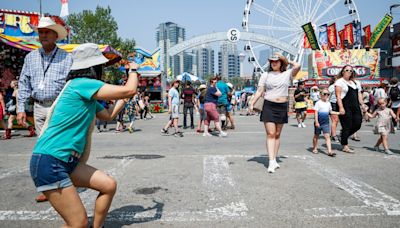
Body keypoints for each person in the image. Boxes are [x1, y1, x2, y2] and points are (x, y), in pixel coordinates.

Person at [29, 43, 139, 228]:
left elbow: (109, 115)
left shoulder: (84, 93)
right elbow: (130, 89)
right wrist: (134, 70)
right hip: (51, 161)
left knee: (108, 186)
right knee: (77, 223)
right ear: (93, 67)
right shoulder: (82, 84)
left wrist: (123, 96)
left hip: (66, 161)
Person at [17, 18, 72, 202]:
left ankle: (63, 184)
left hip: (59, 108)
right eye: (41, 32)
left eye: (47, 32)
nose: (43, 35)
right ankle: (49, 188)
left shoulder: (66, 58)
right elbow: (23, 84)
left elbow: (72, 85)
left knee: (59, 148)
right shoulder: (30, 57)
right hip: (39, 107)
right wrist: (21, 109)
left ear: (56, 35)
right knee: (43, 148)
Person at [250, 52, 300, 173]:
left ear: (281, 63)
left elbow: (297, 66)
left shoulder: (287, 74)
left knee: (277, 134)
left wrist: (285, 59)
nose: (273, 63)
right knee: (270, 133)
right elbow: (259, 90)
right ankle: (271, 161)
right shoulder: (266, 75)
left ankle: (274, 159)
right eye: (272, 61)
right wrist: (252, 103)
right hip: (269, 105)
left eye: (276, 61)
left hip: (282, 105)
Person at [335, 65, 365, 153]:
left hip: (355, 106)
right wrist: (341, 108)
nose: (349, 71)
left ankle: (343, 136)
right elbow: (338, 96)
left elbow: (359, 94)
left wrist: (362, 104)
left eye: (351, 70)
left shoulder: (356, 82)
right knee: (346, 125)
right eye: (346, 70)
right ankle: (345, 146)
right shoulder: (339, 82)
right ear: (343, 71)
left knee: (358, 123)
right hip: (345, 106)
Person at [312, 89, 339, 156]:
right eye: (324, 94)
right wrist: (316, 122)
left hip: (326, 123)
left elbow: (330, 112)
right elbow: (315, 113)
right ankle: (315, 148)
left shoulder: (328, 103)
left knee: (327, 136)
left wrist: (338, 113)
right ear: (320, 94)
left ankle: (330, 151)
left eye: (328, 94)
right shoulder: (318, 103)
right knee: (316, 136)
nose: (326, 95)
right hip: (319, 122)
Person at [328, 76, 340, 142]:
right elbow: (327, 96)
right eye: (338, 79)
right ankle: (334, 136)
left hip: (337, 104)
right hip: (332, 104)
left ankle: (332, 134)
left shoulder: (339, 86)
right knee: (335, 121)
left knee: (336, 121)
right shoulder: (332, 87)